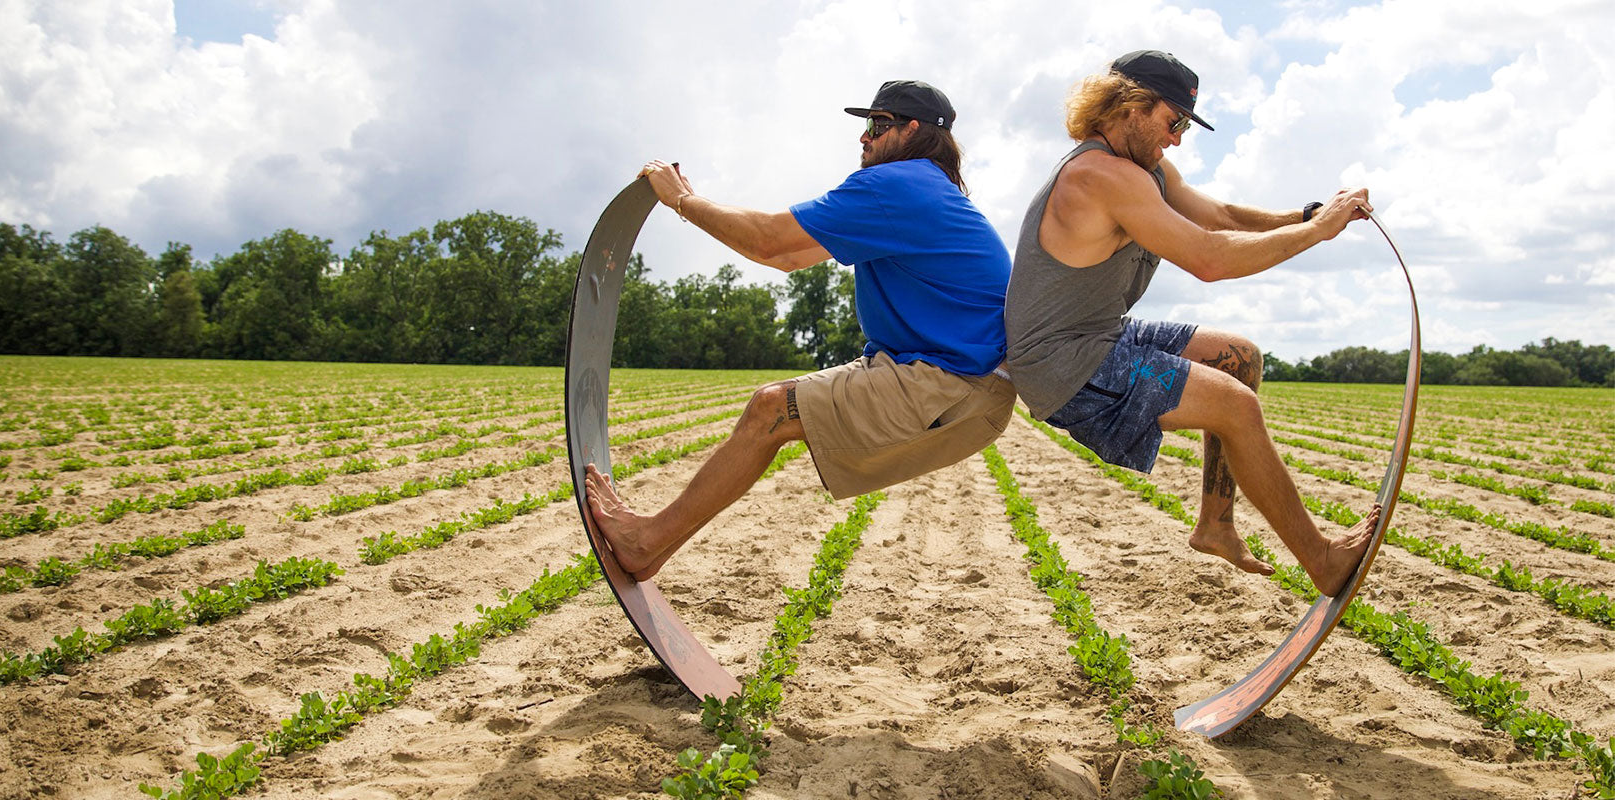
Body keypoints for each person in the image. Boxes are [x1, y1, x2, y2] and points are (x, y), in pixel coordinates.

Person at [584, 80, 1016, 582]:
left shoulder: (899, 186)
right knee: (772, 412)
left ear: (911, 130)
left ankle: (644, 543)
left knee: (772, 409)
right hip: (958, 384)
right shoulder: (919, 190)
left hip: (952, 385)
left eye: (876, 125)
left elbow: (769, 242)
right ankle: (649, 548)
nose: (864, 138)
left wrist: (682, 200)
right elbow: (791, 256)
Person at [1004, 50, 1379, 597]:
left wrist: (1304, 216)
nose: (1177, 137)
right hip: (1064, 366)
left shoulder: (1145, 171)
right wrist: (1319, 232)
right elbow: (1210, 259)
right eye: (1173, 120)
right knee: (1235, 406)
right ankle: (1322, 560)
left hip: (1099, 335)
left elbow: (1222, 218)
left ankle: (1216, 524)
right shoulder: (1098, 176)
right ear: (1129, 105)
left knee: (1239, 359)